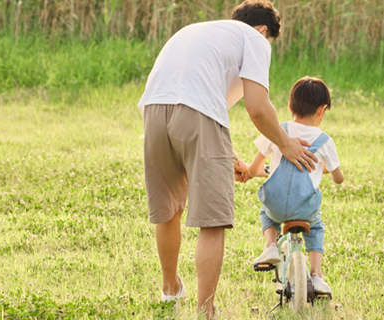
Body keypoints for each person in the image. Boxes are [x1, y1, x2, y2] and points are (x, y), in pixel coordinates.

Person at [136, 1, 318, 317]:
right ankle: (205, 310)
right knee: (213, 220)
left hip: (153, 111)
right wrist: (285, 144)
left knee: (168, 211)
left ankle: (169, 290)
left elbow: (199, 102)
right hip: (196, 115)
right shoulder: (255, 40)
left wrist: (225, 154)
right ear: (264, 31)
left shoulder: (199, 32)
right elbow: (258, 107)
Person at [246, 76, 345, 294]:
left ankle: (270, 245)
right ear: (322, 110)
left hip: (276, 205)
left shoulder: (277, 131)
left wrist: (259, 173)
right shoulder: (325, 140)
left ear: (290, 106)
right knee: (316, 227)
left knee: (266, 211)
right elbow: (339, 178)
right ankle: (317, 275)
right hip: (305, 208)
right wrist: (325, 169)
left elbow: (254, 169)